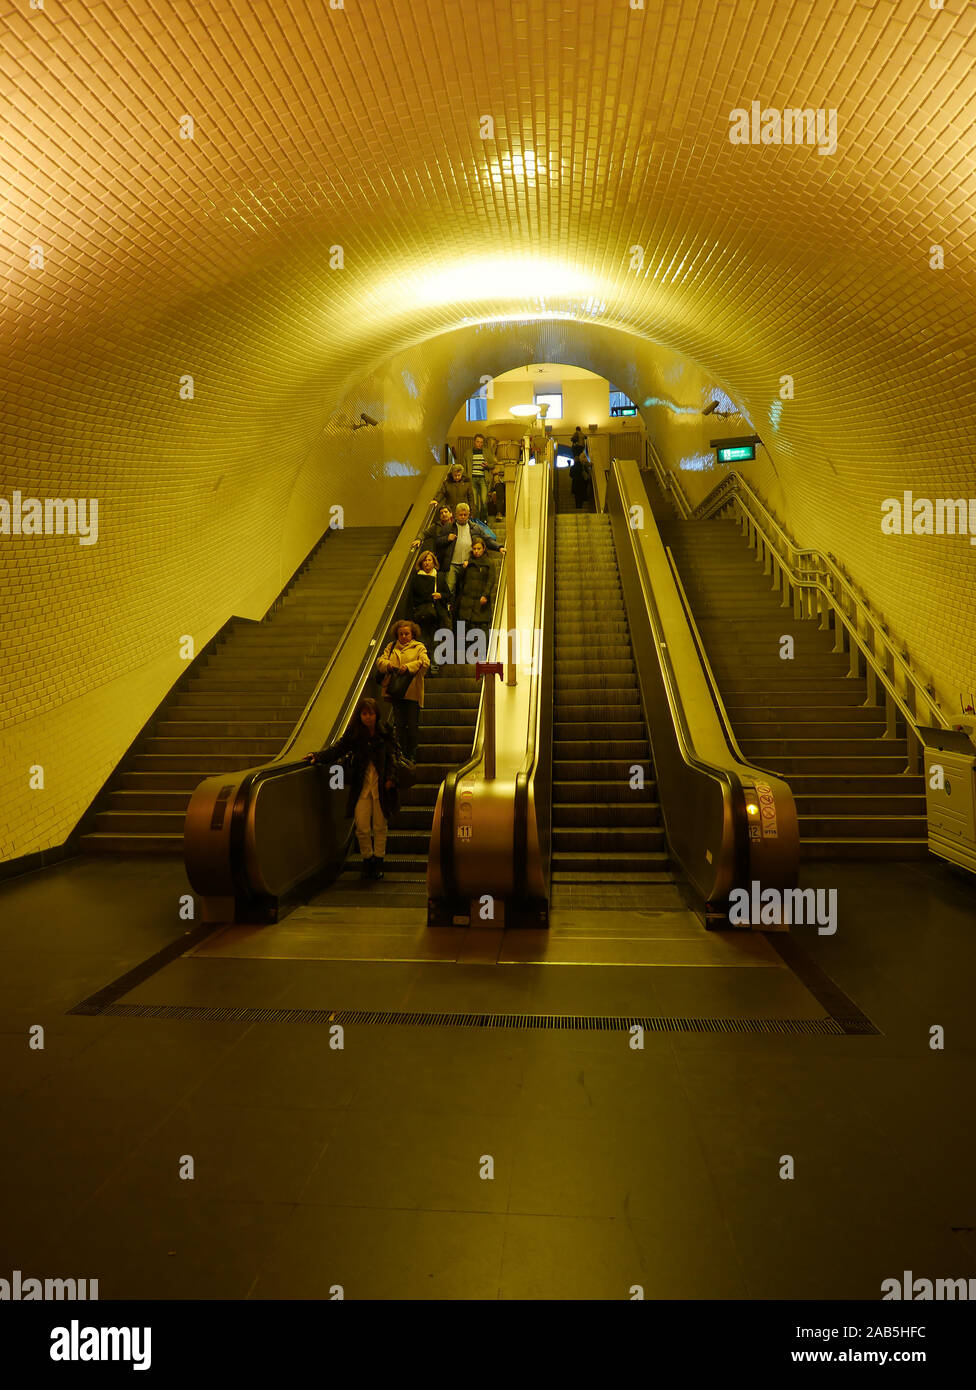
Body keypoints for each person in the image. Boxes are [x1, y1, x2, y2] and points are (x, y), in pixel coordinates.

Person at [305, 698, 401, 881]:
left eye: (370, 714)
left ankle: (378, 862)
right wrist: (317, 756)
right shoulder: (355, 733)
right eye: (364, 714)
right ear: (360, 715)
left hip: (382, 787)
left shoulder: (386, 731)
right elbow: (338, 749)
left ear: (376, 714)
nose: (368, 718)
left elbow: (394, 755)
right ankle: (368, 861)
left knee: (380, 826)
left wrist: (391, 778)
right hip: (361, 787)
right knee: (362, 827)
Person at [376, 618, 430, 761]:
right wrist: (389, 666)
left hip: (412, 692)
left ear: (412, 634)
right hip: (396, 691)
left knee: (412, 725)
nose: (404, 636)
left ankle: (411, 754)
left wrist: (408, 667)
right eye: (401, 634)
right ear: (397, 635)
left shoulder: (419, 647)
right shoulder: (391, 646)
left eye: (406, 634)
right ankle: (400, 754)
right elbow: (380, 662)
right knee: (399, 725)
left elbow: (425, 662)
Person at [441, 502, 504, 597]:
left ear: (469, 515)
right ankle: (449, 609)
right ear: (456, 515)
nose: (463, 517)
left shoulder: (475, 527)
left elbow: (487, 539)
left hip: (469, 563)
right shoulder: (448, 527)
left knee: (466, 590)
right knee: (449, 588)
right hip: (452, 564)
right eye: (460, 515)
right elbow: (438, 541)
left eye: (465, 515)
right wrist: (447, 539)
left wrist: (499, 547)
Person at [409, 550, 451, 676]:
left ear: (434, 562)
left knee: (434, 641)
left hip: (435, 614)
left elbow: (449, 595)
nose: (427, 563)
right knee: (423, 642)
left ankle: (434, 666)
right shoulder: (416, 578)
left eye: (429, 560)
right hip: (421, 614)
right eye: (424, 561)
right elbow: (412, 598)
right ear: (421, 563)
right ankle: (425, 668)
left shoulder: (439, 577)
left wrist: (440, 595)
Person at [454, 536, 496, 650]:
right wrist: (463, 569)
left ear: (484, 548)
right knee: (465, 629)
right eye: (474, 549)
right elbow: (460, 581)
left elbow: (491, 580)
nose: (476, 551)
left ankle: (483, 654)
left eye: (479, 549)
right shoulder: (468, 563)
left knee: (481, 629)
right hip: (467, 602)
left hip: (481, 601)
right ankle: (465, 656)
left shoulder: (489, 563)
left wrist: (485, 595)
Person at [462, 433, 493, 521]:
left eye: (481, 442)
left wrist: (487, 466)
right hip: (472, 479)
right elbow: (464, 466)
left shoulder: (486, 452)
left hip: (483, 478)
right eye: (478, 442)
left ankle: (484, 520)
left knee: (484, 501)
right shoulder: (468, 453)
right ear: (474, 442)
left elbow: (493, 464)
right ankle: (476, 521)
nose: (480, 444)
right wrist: (465, 479)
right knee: (474, 502)